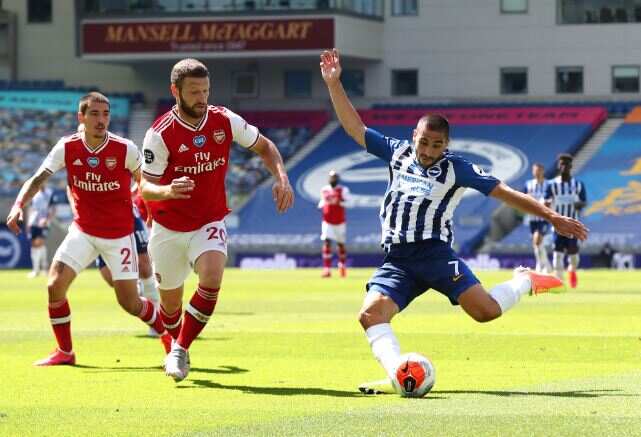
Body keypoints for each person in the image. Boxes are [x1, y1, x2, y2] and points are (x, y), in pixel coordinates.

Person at [319, 48, 589, 392]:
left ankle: (524, 279)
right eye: (424, 142)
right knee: (370, 315)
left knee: (485, 312)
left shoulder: (457, 168)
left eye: (437, 144)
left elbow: (504, 191)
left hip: (435, 254)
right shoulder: (396, 152)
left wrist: (551, 216)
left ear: (446, 144)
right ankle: (397, 375)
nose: (429, 151)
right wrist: (334, 84)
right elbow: (355, 127)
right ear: (413, 137)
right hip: (398, 258)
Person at [140, 58, 294, 382]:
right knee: (170, 309)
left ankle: (180, 348)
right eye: (194, 91)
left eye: (206, 90)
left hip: (208, 220)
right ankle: (174, 341)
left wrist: (282, 177)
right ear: (175, 91)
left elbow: (265, 147)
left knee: (211, 276)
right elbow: (145, 188)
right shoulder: (159, 134)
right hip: (167, 227)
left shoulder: (225, 120)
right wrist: (168, 190)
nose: (201, 98)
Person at [5, 92, 171, 366]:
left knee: (130, 303)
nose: (101, 120)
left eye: (105, 114)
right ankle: (65, 352)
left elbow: (145, 185)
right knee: (54, 285)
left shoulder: (125, 148)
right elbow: (37, 179)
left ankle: (169, 335)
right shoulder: (67, 147)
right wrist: (18, 205)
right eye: (94, 114)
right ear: (80, 117)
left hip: (119, 236)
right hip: (82, 232)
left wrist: (160, 203)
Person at [545, 154, 587, 288]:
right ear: (558, 166)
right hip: (557, 224)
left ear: (571, 167)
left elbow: (583, 202)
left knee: (573, 253)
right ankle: (558, 281)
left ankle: (572, 270)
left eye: (566, 164)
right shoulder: (551, 185)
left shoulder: (578, 185)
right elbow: (544, 202)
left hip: (573, 224)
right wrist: (547, 203)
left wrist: (578, 205)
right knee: (557, 252)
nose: (564, 167)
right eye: (561, 164)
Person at [318, 170, 350, 278]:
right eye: (331, 177)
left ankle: (342, 266)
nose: (333, 179)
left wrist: (339, 201)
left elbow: (348, 202)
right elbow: (321, 203)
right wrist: (323, 204)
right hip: (327, 220)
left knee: (340, 244)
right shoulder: (324, 190)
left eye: (334, 177)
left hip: (339, 221)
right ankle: (327, 269)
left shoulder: (343, 190)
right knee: (327, 242)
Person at [523, 163, 552, 273]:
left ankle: (539, 265)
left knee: (537, 239)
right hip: (532, 218)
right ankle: (546, 265)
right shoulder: (529, 184)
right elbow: (523, 198)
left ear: (543, 171)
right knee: (538, 243)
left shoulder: (548, 184)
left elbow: (550, 200)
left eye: (539, 170)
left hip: (543, 217)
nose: (537, 172)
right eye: (535, 170)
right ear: (533, 171)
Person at [26, 184, 55, 278]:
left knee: (39, 242)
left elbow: (53, 209)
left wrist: (47, 219)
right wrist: (28, 222)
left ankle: (40, 269)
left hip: (43, 222)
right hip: (33, 222)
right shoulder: (34, 194)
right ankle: (39, 269)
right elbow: (31, 208)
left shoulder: (49, 193)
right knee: (34, 244)